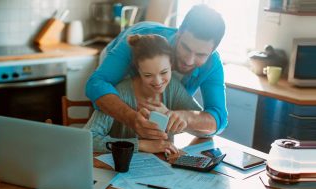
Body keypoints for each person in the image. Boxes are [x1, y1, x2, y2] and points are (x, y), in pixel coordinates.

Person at [86, 4, 227, 140]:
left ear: (212, 51)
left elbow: (219, 119)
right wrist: (130, 118)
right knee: (111, 121)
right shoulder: (141, 42)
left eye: (201, 55)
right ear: (179, 33)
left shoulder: (213, 65)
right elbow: (96, 84)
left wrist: (187, 117)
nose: (189, 61)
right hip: (122, 55)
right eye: (186, 48)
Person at [84, 34, 202, 154]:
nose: (158, 82)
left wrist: (185, 120)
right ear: (138, 70)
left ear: (171, 65)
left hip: (163, 167)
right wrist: (141, 145)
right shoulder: (119, 93)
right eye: (148, 75)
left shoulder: (173, 87)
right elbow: (87, 139)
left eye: (164, 72)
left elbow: (206, 129)